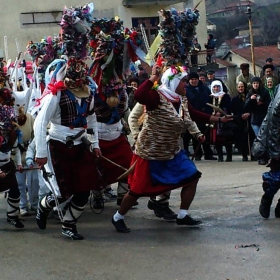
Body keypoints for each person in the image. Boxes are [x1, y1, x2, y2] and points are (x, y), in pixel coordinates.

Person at [111, 65, 233, 233]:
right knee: (137, 190)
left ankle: (183, 215)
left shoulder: (181, 99)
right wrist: (153, 78)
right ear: (173, 81)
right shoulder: (156, 97)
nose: (186, 84)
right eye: (183, 81)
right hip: (150, 152)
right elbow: (139, 95)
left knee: (192, 176)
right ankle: (118, 217)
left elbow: (193, 115)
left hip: (172, 151)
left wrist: (216, 121)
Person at [0, 87, 24, 229]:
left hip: (7, 164)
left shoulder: (12, 132)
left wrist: (19, 163)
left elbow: (16, 149)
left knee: (15, 190)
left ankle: (13, 216)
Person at [256, 85, 280, 219]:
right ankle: (267, 198)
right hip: (277, 141)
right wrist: (275, 152)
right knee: (276, 178)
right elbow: (274, 125)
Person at [185, 72, 216, 161]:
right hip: (194, 115)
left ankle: (208, 153)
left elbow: (210, 100)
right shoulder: (187, 90)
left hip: (205, 114)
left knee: (206, 134)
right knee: (196, 135)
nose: (194, 81)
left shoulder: (204, 88)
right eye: (192, 79)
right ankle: (197, 153)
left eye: (195, 79)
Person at [244, 77, 271, 165]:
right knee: (259, 138)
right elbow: (246, 107)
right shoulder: (250, 93)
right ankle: (260, 157)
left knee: (265, 138)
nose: (256, 85)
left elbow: (270, 104)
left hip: (264, 118)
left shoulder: (265, 92)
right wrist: (250, 99)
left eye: (257, 83)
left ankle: (266, 156)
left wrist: (262, 103)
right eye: (254, 83)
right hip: (254, 119)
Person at [209, 80, 233, 162]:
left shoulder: (225, 96)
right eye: (214, 87)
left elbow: (229, 107)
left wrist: (222, 112)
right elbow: (207, 108)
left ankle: (229, 156)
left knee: (227, 139)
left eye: (218, 87)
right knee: (217, 140)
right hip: (214, 121)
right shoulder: (210, 97)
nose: (216, 88)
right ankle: (220, 156)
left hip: (224, 120)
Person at [231, 81, 254, 161]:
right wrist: (241, 115)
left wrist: (248, 114)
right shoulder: (234, 99)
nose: (241, 88)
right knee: (242, 138)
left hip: (250, 119)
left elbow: (253, 108)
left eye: (242, 87)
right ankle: (244, 155)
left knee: (251, 137)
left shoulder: (249, 97)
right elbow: (234, 110)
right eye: (239, 87)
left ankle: (252, 154)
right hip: (240, 121)